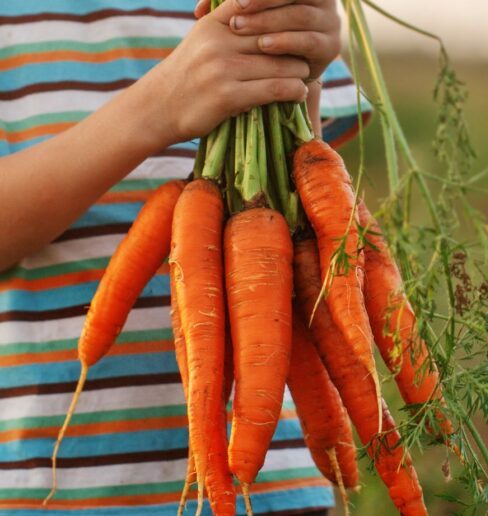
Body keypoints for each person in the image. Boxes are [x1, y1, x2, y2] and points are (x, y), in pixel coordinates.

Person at [0, 0, 367, 513]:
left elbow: (305, 196)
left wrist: (302, 69)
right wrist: (155, 110)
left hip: (271, 476)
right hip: (56, 490)